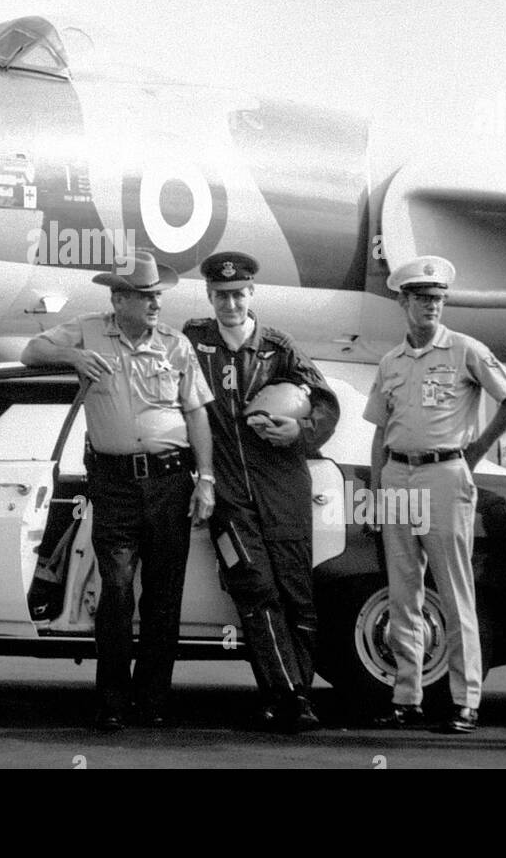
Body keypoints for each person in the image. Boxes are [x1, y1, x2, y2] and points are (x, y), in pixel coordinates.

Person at [20, 249, 215, 731]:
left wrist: (206, 479)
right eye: (145, 297)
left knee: (164, 597)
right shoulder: (87, 330)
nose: (155, 305)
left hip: (171, 480)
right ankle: (111, 701)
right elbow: (30, 352)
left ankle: (152, 702)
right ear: (119, 298)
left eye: (157, 297)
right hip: (113, 483)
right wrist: (72, 356)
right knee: (118, 591)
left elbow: (197, 414)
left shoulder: (175, 344)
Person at [363, 255, 506, 733]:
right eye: (422, 298)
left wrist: (474, 451)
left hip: (444, 475)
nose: (432, 306)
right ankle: (407, 696)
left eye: (438, 298)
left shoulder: (465, 350)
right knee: (402, 593)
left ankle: (465, 700)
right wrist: (377, 492)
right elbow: (380, 431)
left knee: (455, 591)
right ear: (404, 302)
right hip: (397, 474)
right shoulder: (391, 362)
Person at [181, 251, 340, 731]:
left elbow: (326, 404)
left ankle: (292, 695)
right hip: (227, 495)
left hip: (284, 490)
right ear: (210, 297)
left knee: (296, 594)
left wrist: (300, 434)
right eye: (221, 295)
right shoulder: (191, 343)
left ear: (252, 294)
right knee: (255, 590)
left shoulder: (279, 347)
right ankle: (289, 698)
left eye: (238, 294)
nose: (230, 303)